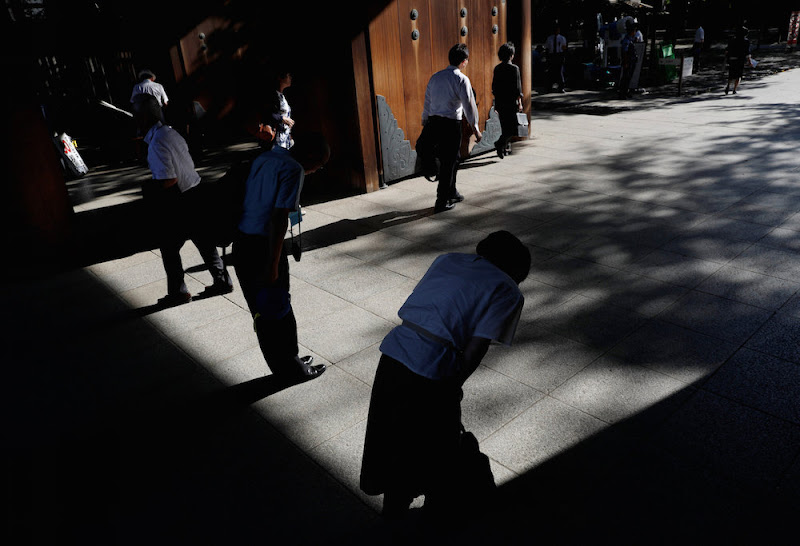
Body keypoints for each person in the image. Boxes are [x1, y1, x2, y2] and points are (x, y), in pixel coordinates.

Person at [360, 230, 531, 518]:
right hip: (433, 368)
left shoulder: (446, 259)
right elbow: (477, 347)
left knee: (394, 437)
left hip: (394, 352)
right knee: (435, 446)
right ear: (514, 270)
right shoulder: (508, 290)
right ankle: (439, 510)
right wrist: (454, 384)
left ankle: (393, 511)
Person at [233, 133, 330, 380]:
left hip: (242, 241)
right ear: (310, 157)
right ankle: (291, 369)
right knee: (277, 308)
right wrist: (273, 264)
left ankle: (283, 362)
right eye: (319, 166)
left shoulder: (268, 156)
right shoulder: (293, 169)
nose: (316, 171)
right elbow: (278, 219)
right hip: (262, 245)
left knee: (262, 307)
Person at [135, 95, 233, 305]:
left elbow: (169, 180)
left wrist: (151, 188)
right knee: (204, 241)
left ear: (143, 118)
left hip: (179, 201)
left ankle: (179, 292)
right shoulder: (170, 133)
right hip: (195, 192)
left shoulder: (156, 143)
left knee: (169, 247)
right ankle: (222, 280)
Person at [416, 43, 482, 213]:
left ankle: (452, 191)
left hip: (433, 122)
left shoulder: (435, 77)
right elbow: (469, 105)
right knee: (449, 162)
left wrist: (425, 121)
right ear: (464, 61)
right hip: (451, 125)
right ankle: (442, 201)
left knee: (453, 159)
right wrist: (475, 128)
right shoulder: (461, 79)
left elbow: (428, 102)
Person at [491, 42, 523, 159]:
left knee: (504, 126)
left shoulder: (497, 68)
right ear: (511, 55)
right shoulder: (514, 69)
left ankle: (504, 148)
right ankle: (500, 144)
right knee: (512, 129)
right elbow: (517, 89)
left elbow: (494, 87)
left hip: (500, 102)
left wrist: (495, 102)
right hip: (511, 102)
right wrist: (520, 103)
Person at [268, 68, 295, 150]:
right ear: (280, 77)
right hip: (276, 139)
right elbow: (266, 112)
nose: (290, 78)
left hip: (285, 138)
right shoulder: (272, 95)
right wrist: (281, 118)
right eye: (288, 75)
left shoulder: (282, 95)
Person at [724, 26, 751, 95]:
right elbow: (747, 53)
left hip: (732, 59)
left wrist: (726, 58)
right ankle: (734, 89)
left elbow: (727, 50)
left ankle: (728, 86)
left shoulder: (732, 40)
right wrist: (749, 61)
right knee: (739, 75)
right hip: (740, 59)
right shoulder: (746, 41)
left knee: (731, 73)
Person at [618, 21, 638, 99]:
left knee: (629, 77)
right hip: (628, 61)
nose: (635, 32)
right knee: (625, 77)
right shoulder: (627, 40)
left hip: (632, 60)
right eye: (634, 31)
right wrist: (626, 62)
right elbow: (625, 52)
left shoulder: (630, 39)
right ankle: (622, 93)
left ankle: (626, 91)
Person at [544, 25, 567, 92]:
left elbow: (564, 48)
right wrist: (547, 57)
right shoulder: (549, 38)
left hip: (559, 55)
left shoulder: (562, 38)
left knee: (560, 71)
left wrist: (563, 57)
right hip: (552, 55)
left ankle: (561, 87)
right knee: (551, 71)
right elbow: (547, 48)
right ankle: (549, 87)